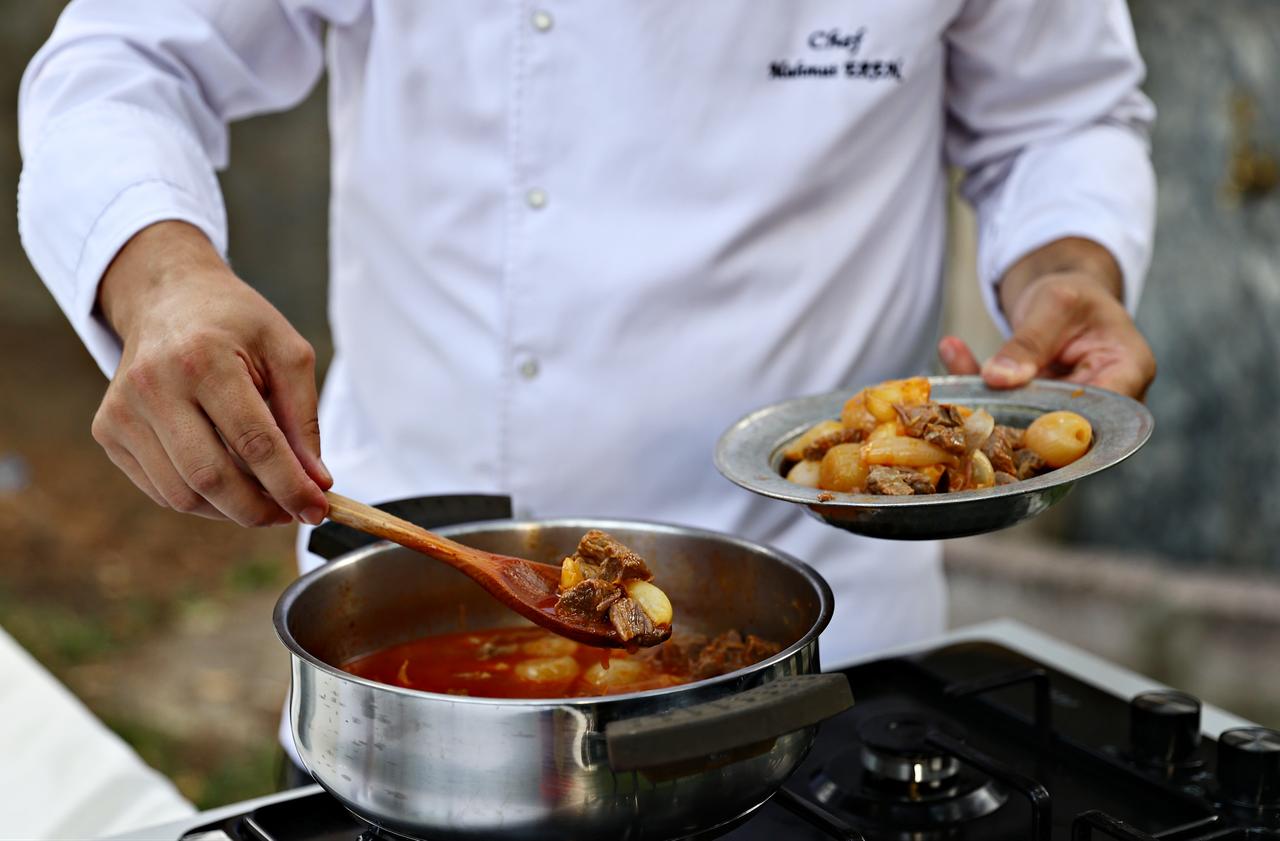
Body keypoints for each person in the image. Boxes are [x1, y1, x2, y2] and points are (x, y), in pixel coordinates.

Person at [19, 0, 1155, 765]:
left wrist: (1063, 267)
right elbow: (126, 54)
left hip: (824, 638)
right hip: (421, 624)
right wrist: (161, 280)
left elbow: (1054, 109)